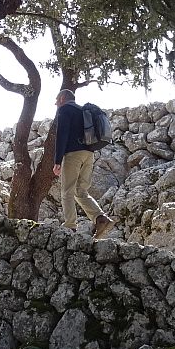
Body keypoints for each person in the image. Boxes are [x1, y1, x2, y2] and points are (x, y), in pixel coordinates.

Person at [52, 88, 115, 238]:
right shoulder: (83, 111)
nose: (55, 104)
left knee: (67, 191)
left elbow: (62, 135)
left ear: (62, 98)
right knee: (80, 191)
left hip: (73, 154)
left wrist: (57, 161)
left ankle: (70, 226)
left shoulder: (65, 109)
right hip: (89, 153)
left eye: (56, 100)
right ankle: (100, 218)